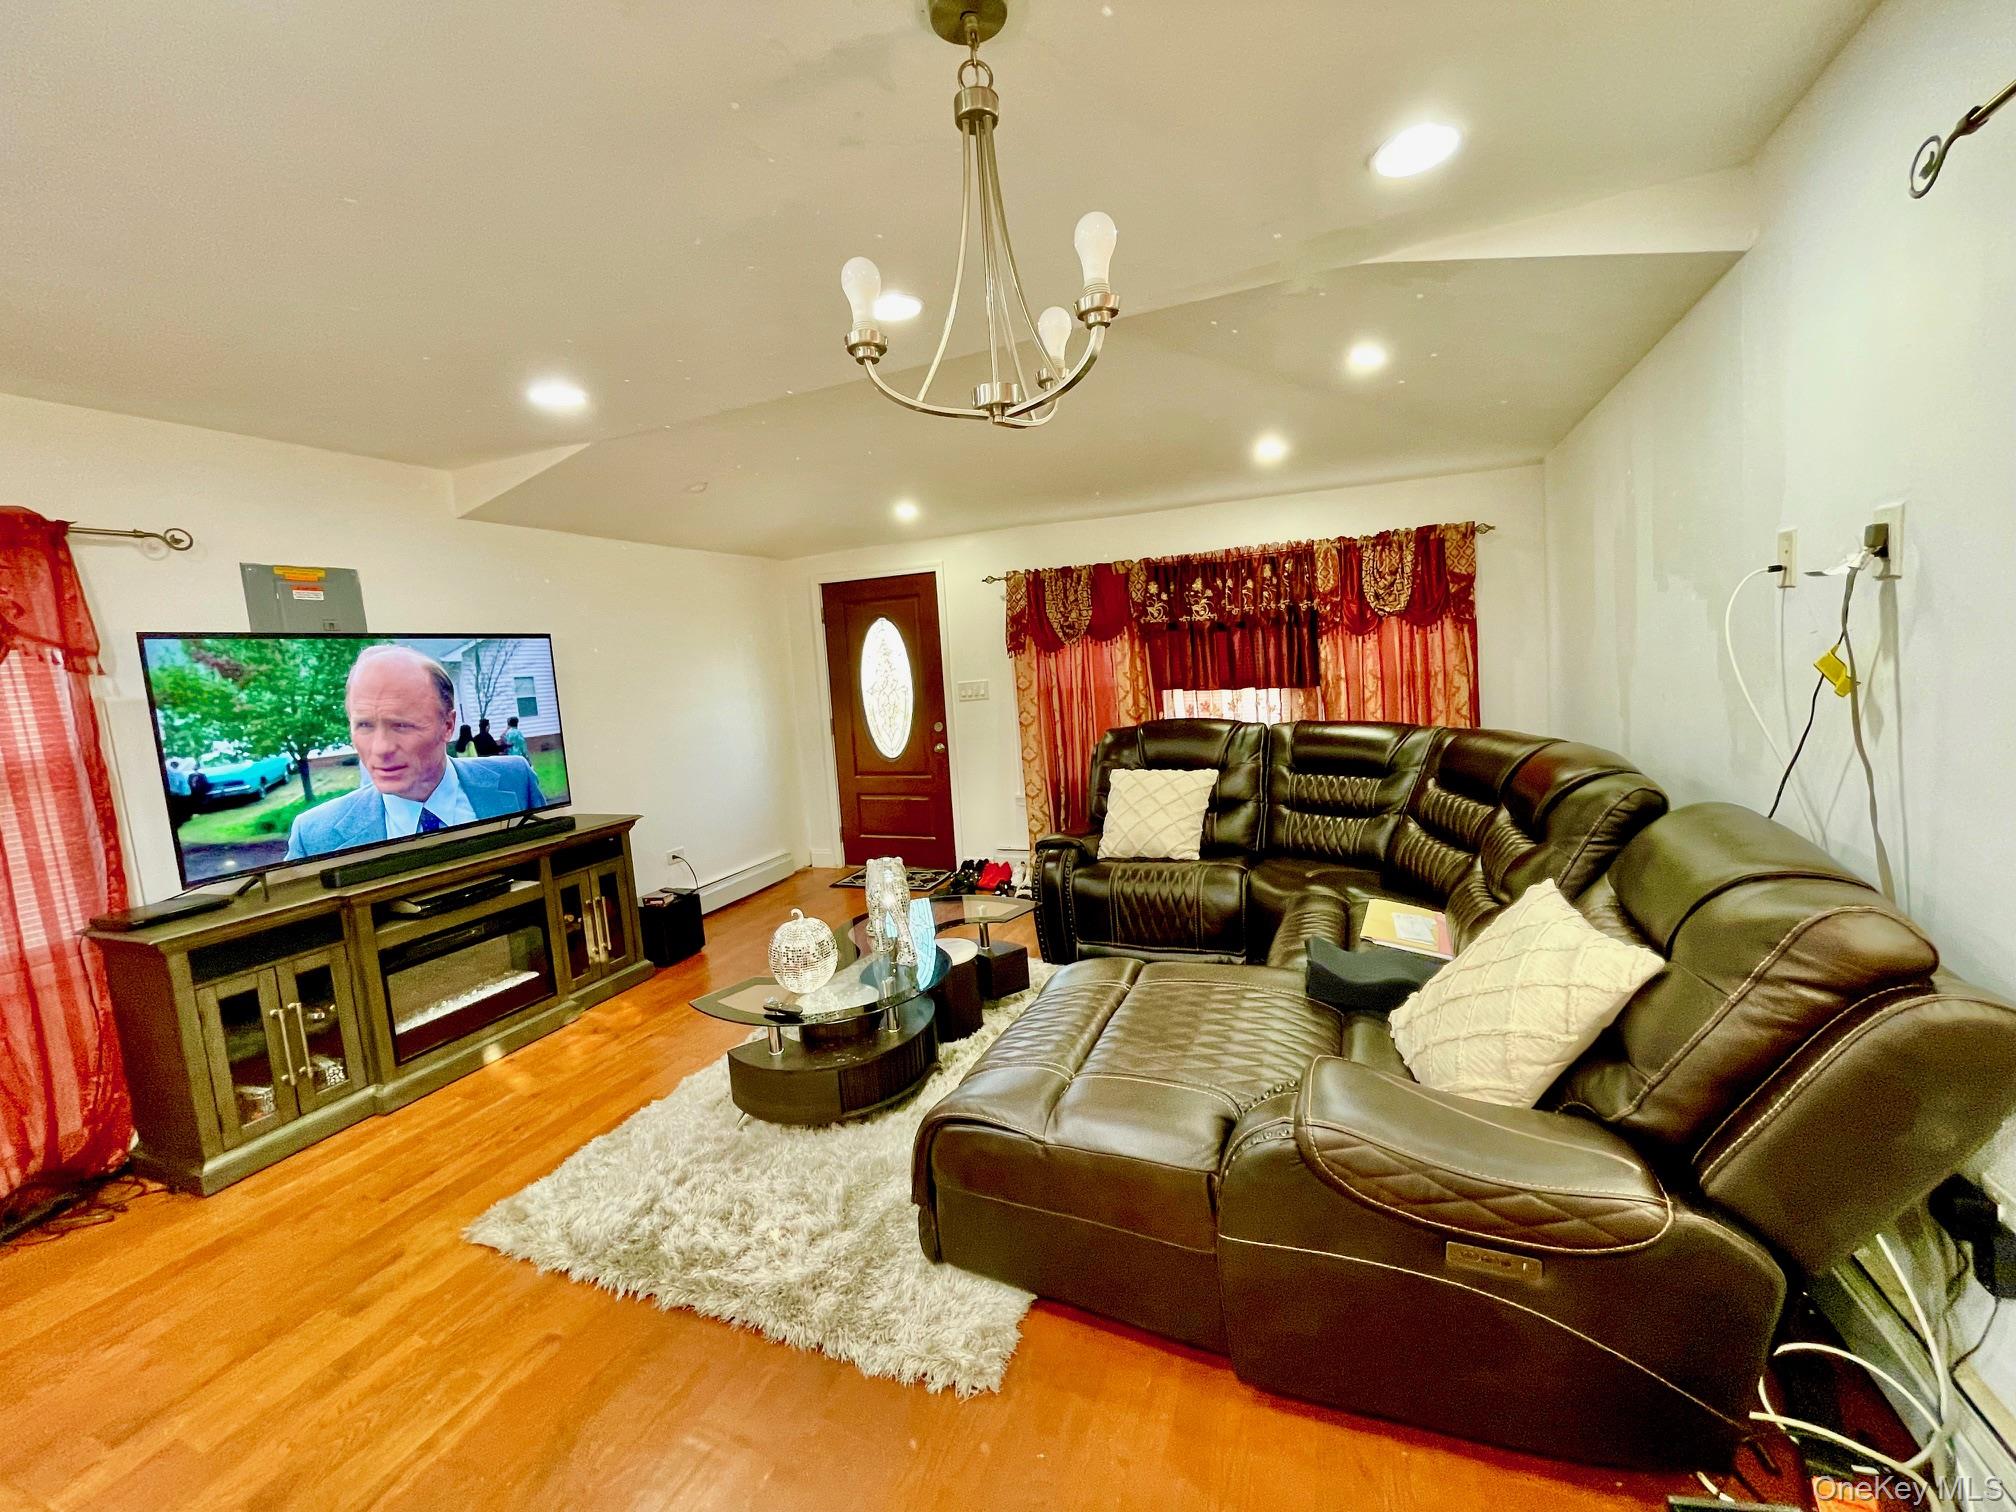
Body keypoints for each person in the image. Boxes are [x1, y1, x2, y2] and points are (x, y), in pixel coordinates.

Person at [284, 645, 545, 861]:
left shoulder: (516, 780)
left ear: (447, 726)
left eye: (401, 725)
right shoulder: (314, 837)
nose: (381, 748)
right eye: (364, 725)